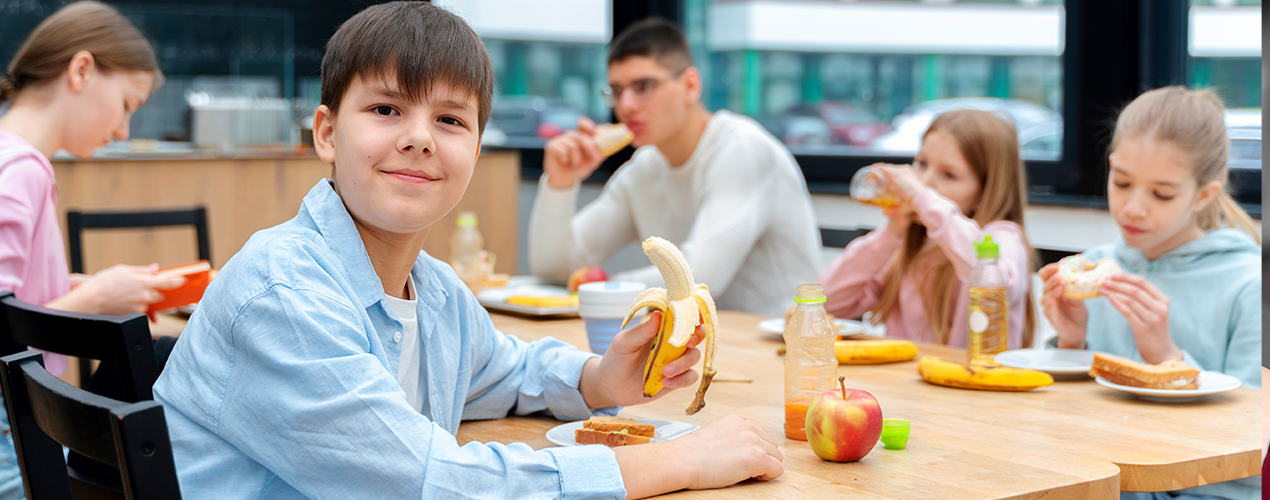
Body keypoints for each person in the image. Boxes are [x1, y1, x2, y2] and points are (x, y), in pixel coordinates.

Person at [153, 3, 783, 499]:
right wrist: (681, 459)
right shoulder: (283, 292)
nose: (420, 139)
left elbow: (506, 372)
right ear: (326, 132)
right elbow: (433, 483)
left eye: (451, 121)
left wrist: (598, 379)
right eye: (385, 109)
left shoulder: (437, 292)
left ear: (476, 150)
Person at [1040, 87, 1260, 500]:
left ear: (1204, 194)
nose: (1133, 208)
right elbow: (1064, 423)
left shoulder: (1249, 283)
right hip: (1096, 484)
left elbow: (1253, 447)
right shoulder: (1095, 263)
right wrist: (1072, 342)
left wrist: (1167, 359)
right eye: (1122, 182)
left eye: (1161, 193)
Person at [0, 2, 183, 497]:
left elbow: (11, 299)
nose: (124, 131)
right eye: (127, 105)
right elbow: (2, 330)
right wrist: (93, 304)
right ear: (81, 70)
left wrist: (66, 290)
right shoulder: (20, 171)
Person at [527, 18, 821, 318]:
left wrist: (601, 289)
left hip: (783, 348)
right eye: (616, 90)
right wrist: (559, 184)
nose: (625, 106)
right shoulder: (645, 167)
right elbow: (554, 268)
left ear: (691, 85)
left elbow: (698, 278)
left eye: (644, 86)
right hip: (698, 346)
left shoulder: (742, 149)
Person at [818, 109, 1036, 349]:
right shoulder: (907, 246)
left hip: (975, 382)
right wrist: (889, 236)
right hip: (905, 384)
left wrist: (922, 198)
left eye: (948, 175)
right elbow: (824, 306)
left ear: (984, 194)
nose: (924, 182)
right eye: (921, 164)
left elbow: (994, 284)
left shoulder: (1002, 237)